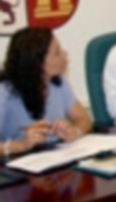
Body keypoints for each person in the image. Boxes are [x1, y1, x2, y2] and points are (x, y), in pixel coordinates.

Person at [0, 27, 92, 157]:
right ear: (39, 64)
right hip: (18, 163)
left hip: (53, 157)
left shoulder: (58, 81)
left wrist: (73, 131)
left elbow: (83, 118)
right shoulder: (4, 92)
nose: (65, 54)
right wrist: (21, 144)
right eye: (57, 52)